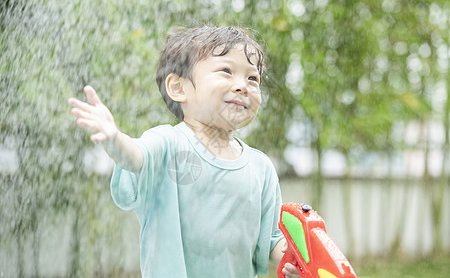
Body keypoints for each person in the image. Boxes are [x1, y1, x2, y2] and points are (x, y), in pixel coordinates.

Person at [69, 26, 300, 278]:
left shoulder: (261, 168)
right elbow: (136, 157)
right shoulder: (168, 144)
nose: (242, 86)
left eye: (252, 78)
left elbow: (272, 240)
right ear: (179, 88)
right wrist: (114, 138)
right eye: (226, 71)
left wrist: (294, 261)